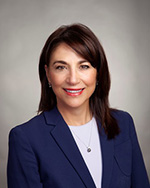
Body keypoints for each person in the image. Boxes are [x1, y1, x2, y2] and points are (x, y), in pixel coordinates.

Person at [7, 23, 150, 188]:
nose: (73, 79)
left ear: (98, 73)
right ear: (48, 74)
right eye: (61, 67)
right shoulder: (26, 139)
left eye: (84, 66)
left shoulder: (123, 123)